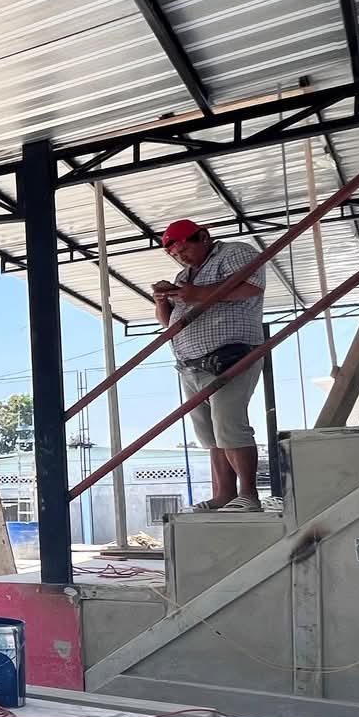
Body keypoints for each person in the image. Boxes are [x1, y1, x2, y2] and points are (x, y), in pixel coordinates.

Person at [154, 218, 266, 512]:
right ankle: (224, 494)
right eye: (175, 254)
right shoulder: (184, 276)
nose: (181, 257)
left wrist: (199, 294)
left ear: (203, 237)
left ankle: (249, 495)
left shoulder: (234, 253)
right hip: (190, 364)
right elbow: (170, 323)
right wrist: (162, 301)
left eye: (184, 249)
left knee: (229, 424)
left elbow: (251, 287)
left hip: (229, 355)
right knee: (210, 434)